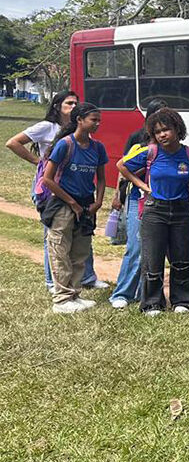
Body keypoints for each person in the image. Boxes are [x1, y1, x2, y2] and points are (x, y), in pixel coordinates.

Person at [6, 90, 102, 292]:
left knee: (82, 232)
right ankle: (52, 281)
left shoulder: (82, 130)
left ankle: (87, 277)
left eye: (76, 103)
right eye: (69, 103)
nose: (74, 106)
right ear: (58, 106)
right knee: (54, 235)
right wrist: (39, 162)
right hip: (49, 188)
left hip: (77, 189)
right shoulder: (47, 127)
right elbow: (12, 142)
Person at [118, 108, 189, 315]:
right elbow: (122, 165)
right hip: (155, 210)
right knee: (152, 257)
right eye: (158, 132)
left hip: (182, 210)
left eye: (166, 130)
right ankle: (152, 303)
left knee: (182, 256)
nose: (162, 135)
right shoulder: (150, 152)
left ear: (177, 129)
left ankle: (182, 300)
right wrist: (141, 186)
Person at [41, 102, 107, 313]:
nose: (97, 124)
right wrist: (72, 203)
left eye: (99, 120)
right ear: (79, 120)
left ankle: (74, 293)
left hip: (86, 204)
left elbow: (102, 178)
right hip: (63, 204)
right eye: (93, 120)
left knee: (80, 252)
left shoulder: (98, 147)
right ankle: (61, 299)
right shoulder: (65, 144)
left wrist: (98, 201)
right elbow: (48, 179)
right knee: (60, 249)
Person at [109, 99, 168, 308]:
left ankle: (147, 293)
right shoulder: (138, 141)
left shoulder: (172, 145)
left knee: (153, 250)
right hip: (138, 199)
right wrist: (118, 195)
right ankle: (122, 293)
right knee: (135, 247)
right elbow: (122, 168)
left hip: (163, 203)